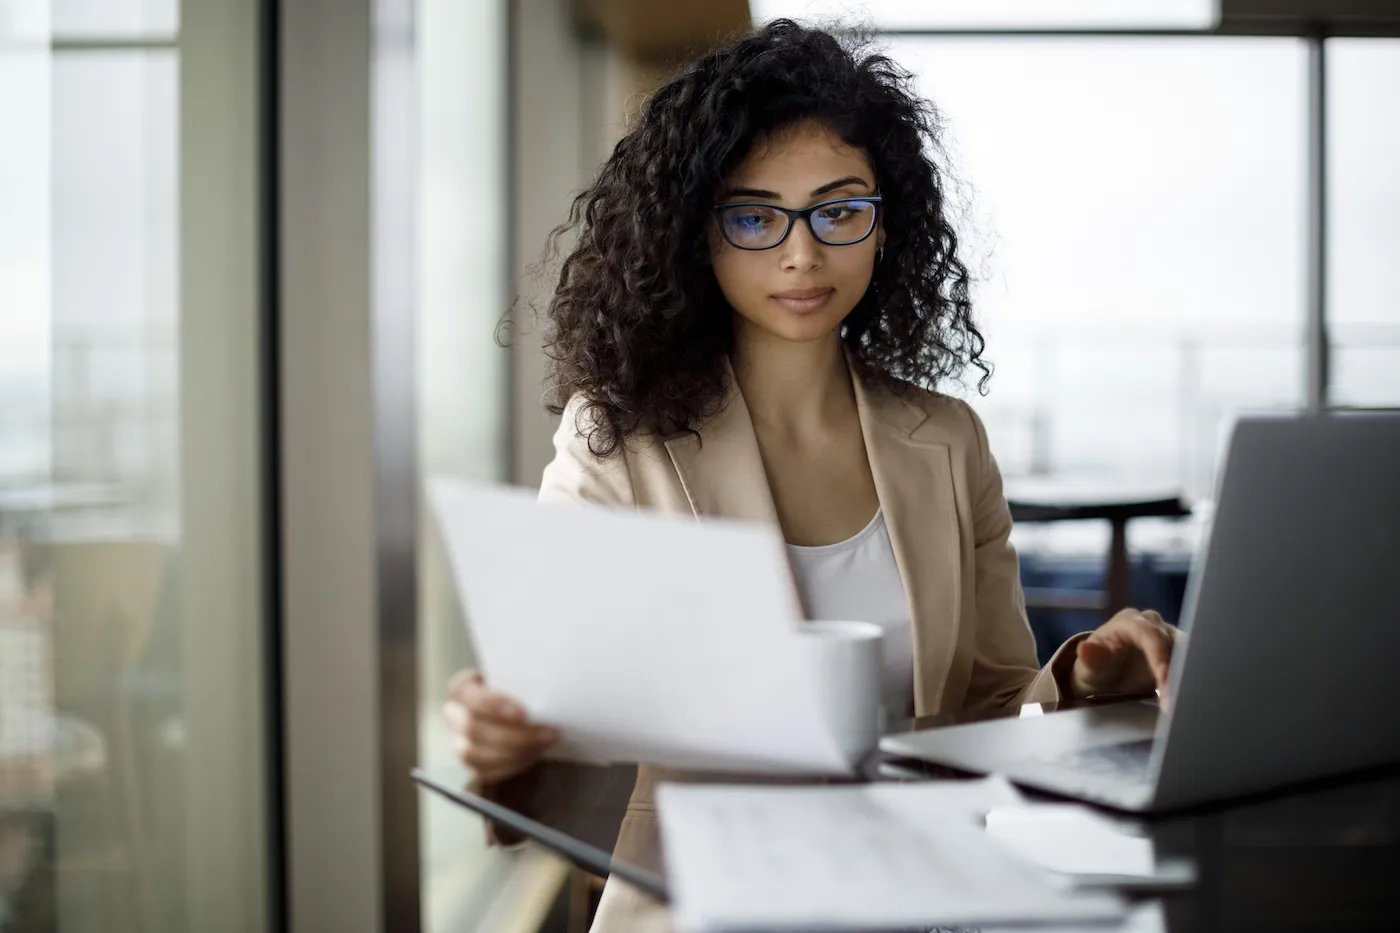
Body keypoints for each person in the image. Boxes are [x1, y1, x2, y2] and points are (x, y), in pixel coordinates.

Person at [443, 19, 1179, 932]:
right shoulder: (618, 440)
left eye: (838, 210)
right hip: (700, 915)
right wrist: (510, 739)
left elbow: (991, 703)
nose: (802, 254)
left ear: (884, 223)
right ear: (695, 234)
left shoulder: (948, 441)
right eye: (754, 216)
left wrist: (1084, 676)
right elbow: (568, 729)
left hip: (920, 904)